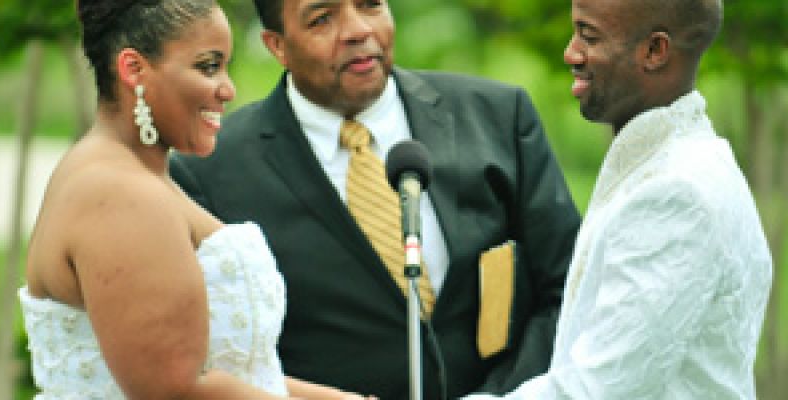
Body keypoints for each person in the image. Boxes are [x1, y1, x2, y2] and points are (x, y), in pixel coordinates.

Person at [169, 0, 582, 399]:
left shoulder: (497, 117)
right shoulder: (209, 173)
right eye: (322, 18)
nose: (358, 30)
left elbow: (570, 288)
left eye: (371, 4)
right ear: (277, 46)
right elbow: (215, 357)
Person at [19, 1, 375, 399]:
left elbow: (237, 375)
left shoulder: (139, 176)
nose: (228, 89)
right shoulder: (117, 193)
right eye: (208, 67)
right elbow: (177, 390)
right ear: (133, 69)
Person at [463, 0, 773, 398]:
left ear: (655, 51)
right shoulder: (681, 162)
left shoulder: (675, 194)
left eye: (589, 37)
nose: (571, 53)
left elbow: (596, 389)